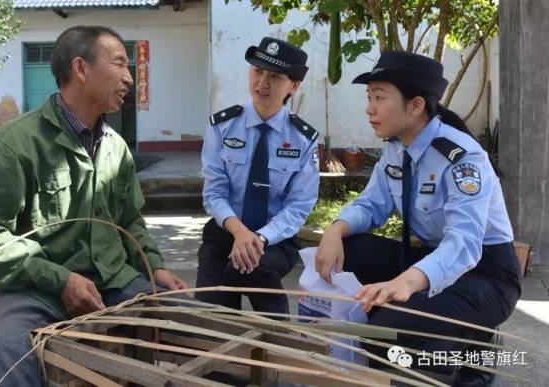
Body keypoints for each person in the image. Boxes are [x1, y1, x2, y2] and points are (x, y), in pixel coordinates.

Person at [0, 25, 188, 387]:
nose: (129, 78)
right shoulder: (13, 144)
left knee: (197, 323)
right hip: (32, 291)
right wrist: (59, 279)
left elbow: (129, 220)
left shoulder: (115, 147)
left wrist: (153, 266)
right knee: (3, 346)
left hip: (111, 283)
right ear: (81, 69)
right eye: (120, 64)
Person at [315, 51, 521, 387]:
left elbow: (464, 244)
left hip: (486, 276)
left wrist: (404, 283)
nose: (370, 108)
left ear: (415, 106)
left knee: (380, 336)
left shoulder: (462, 158)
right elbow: (371, 205)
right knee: (348, 248)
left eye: (379, 98)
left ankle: (473, 349)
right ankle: (442, 329)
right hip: (429, 261)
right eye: (369, 97)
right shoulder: (396, 148)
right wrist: (335, 229)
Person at [195, 37, 320, 315]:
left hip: (275, 239)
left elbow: (299, 206)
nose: (262, 82)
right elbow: (214, 192)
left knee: (252, 268)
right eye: (257, 71)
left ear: (294, 85)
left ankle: (276, 335)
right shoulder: (223, 126)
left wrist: (259, 239)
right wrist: (240, 232)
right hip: (226, 230)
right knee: (210, 310)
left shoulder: (303, 139)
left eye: (274, 77)